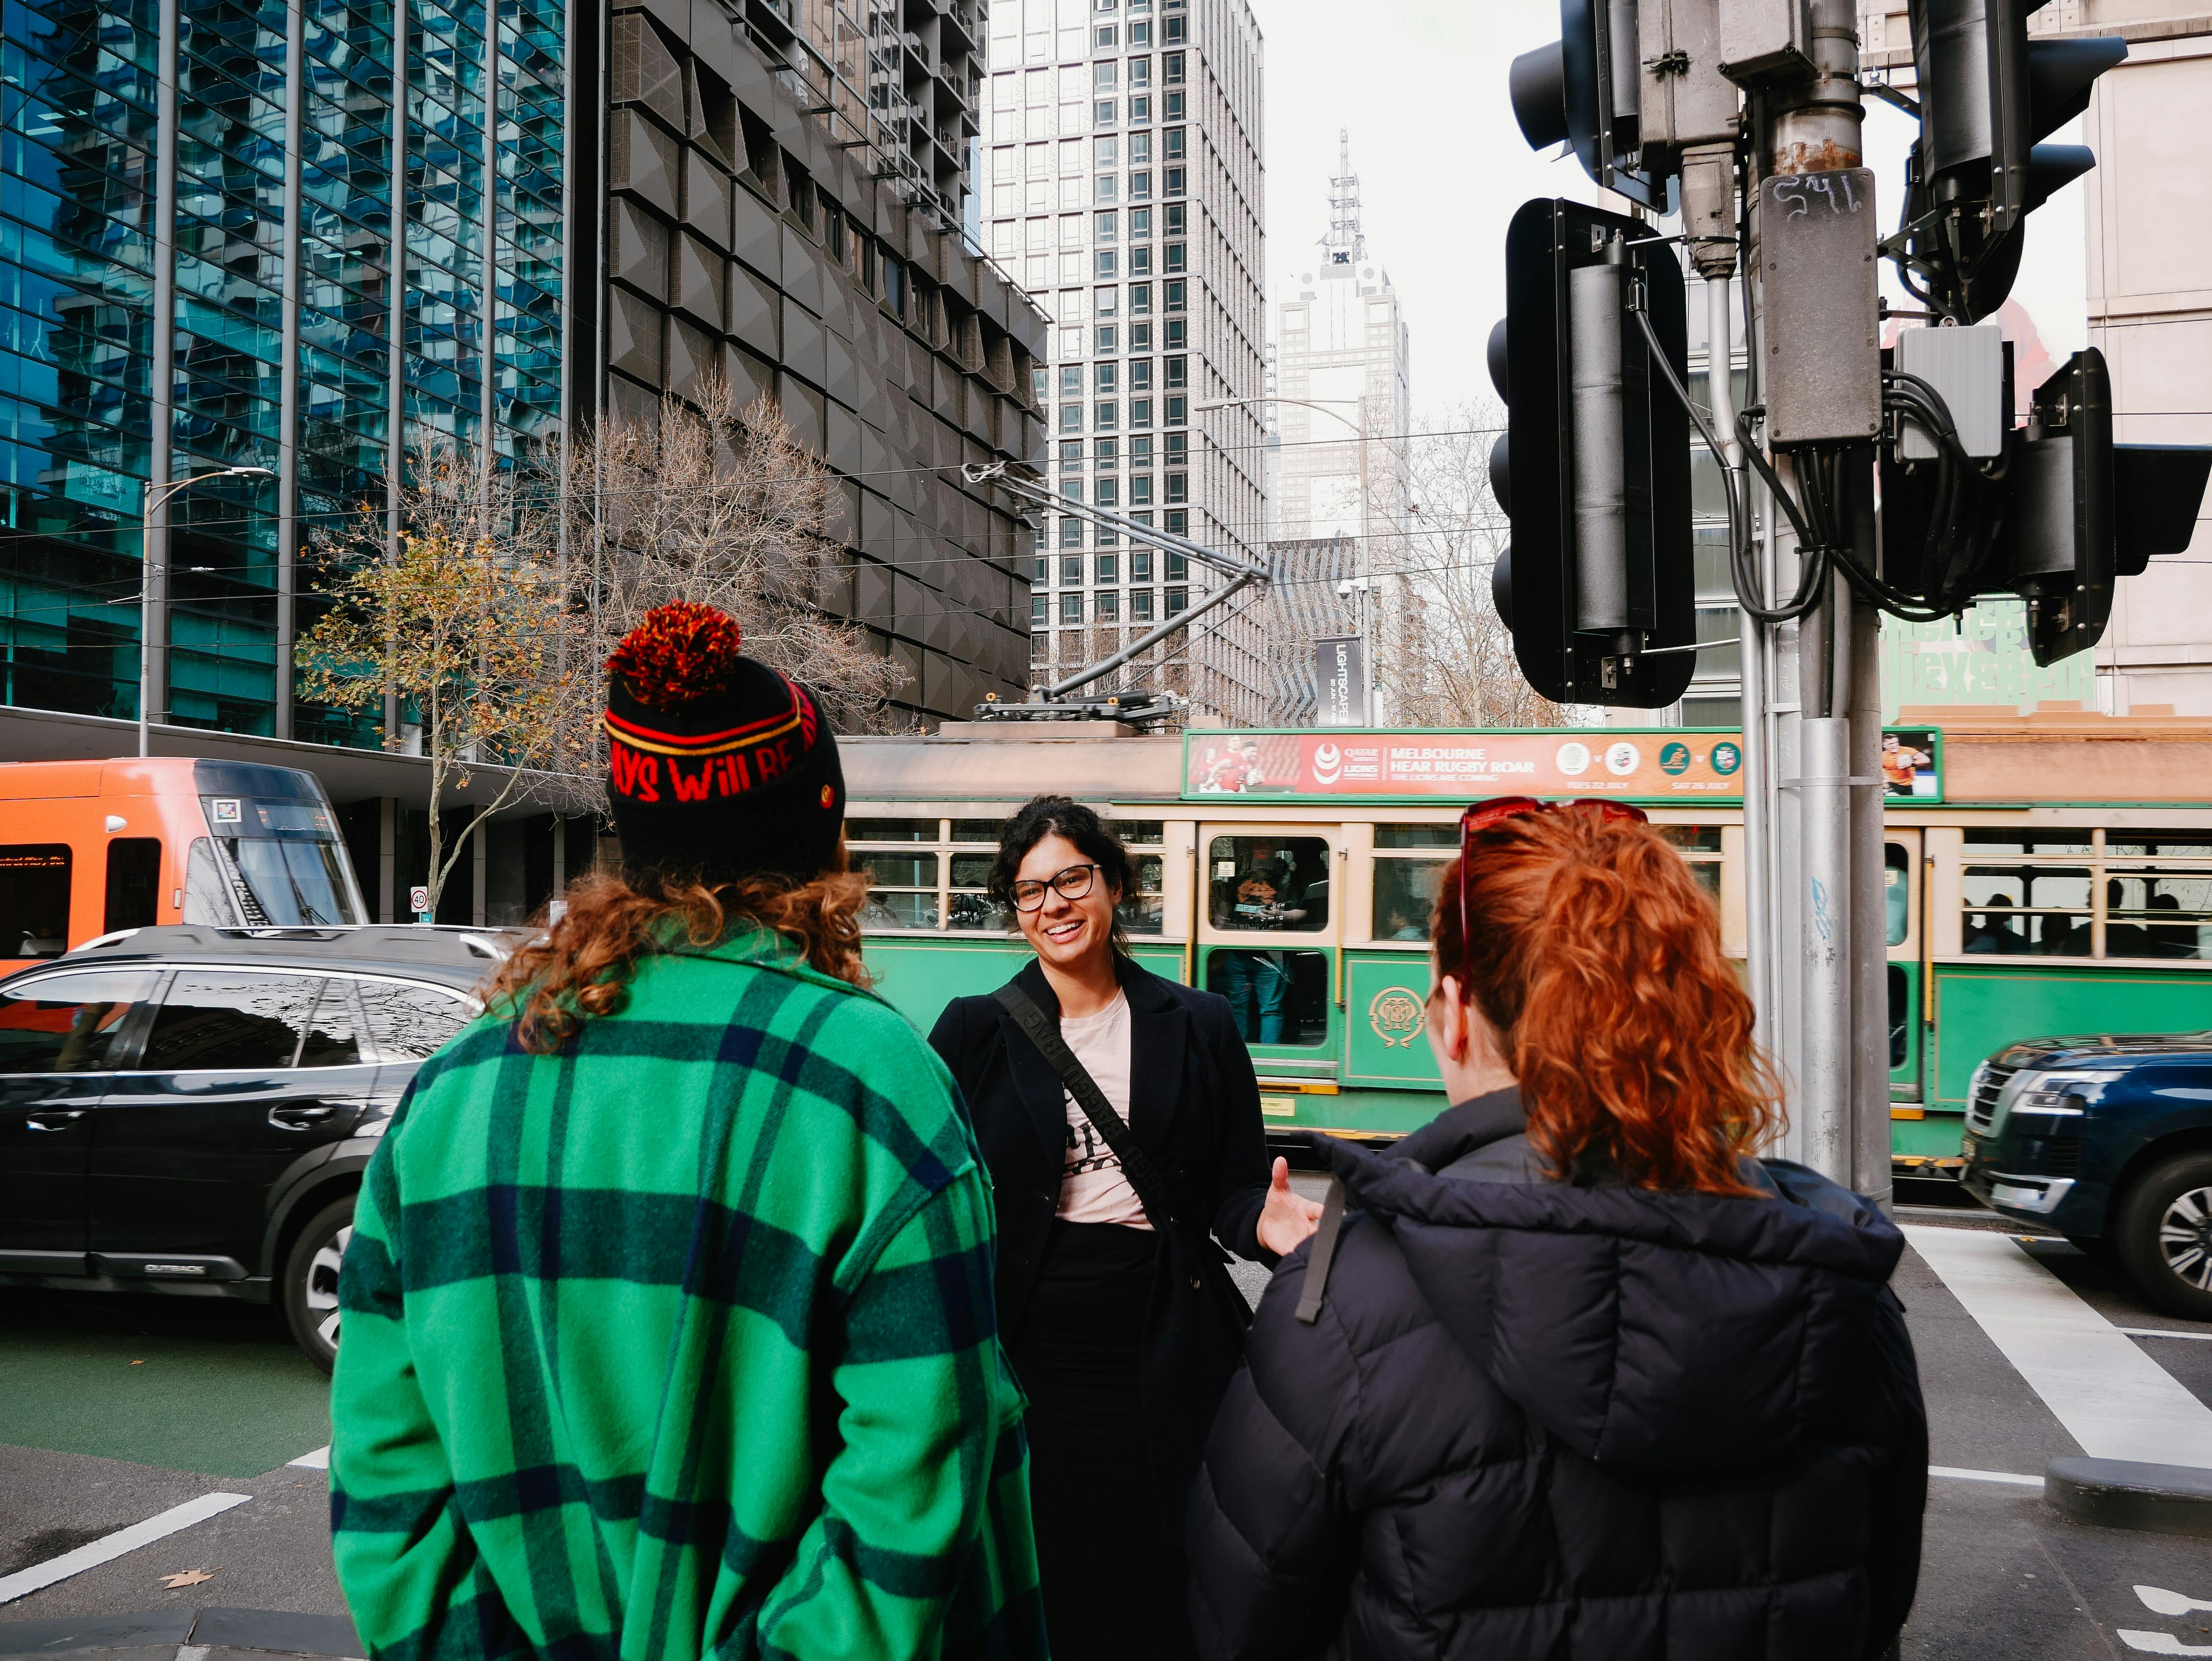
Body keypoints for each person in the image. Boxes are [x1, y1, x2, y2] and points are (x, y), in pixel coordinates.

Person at [330, 603, 1045, 1661]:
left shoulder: (456, 1088)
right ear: (818, 833)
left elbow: (386, 1476)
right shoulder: (872, 1082)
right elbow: (918, 1469)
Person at [1188, 796, 1926, 1661]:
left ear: (1455, 1014)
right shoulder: (1841, 1282)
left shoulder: (1341, 1303)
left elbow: (1246, 1619)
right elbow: (1878, 1602)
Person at [929, 796, 1321, 1661]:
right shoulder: (974, 1030)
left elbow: (1232, 1190)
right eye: (1030, 891)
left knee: (1154, 1564)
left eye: (1072, 880)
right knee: (1044, 1561)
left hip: (1161, 1334)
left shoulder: (1200, 1023)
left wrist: (1264, 1219)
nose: (1053, 906)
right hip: (1026, 1346)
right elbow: (936, 1198)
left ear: (1113, 885)